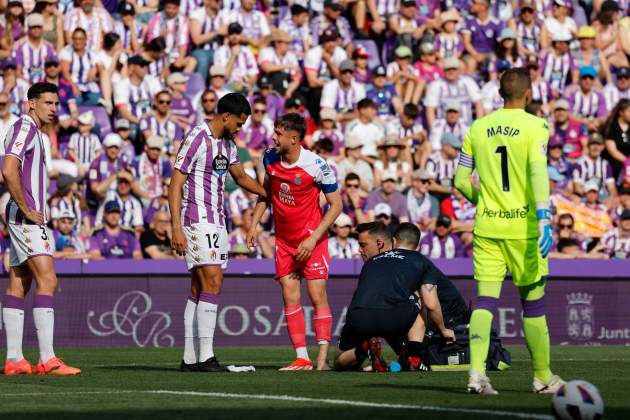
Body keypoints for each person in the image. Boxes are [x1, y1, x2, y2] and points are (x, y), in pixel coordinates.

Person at [454, 68, 564, 394]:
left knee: (485, 302)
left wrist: (485, 200)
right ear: (528, 94)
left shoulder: (478, 126)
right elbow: (536, 171)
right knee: (533, 305)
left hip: (488, 227)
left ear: (500, 94)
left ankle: (476, 375)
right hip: (525, 230)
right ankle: (543, 378)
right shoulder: (536, 126)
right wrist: (544, 218)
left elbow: (460, 181)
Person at [169, 92, 266, 372]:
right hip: (196, 219)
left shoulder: (229, 143)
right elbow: (175, 184)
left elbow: (241, 177)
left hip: (217, 221)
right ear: (225, 116)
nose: (240, 128)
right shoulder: (198, 137)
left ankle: (190, 359)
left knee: (199, 288)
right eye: (239, 122)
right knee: (213, 280)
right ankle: (207, 356)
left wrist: (269, 195)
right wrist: (176, 227)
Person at [248, 113, 342, 371]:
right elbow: (265, 194)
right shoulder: (269, 158)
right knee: (290, 297)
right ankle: (302, 358)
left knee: (316, 296)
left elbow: (337, 205)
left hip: (312, 241)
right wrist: (254, 225)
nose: (273, 137)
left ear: (293, 138)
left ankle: (322, 359)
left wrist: (313, 239)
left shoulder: (317, 165)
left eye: (278, 134)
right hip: (285, 242)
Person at [1, 82, 80, 375]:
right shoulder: (24, 128)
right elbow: (8, 169)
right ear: (31, 103)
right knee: (48, 280)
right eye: (48, 103)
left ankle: (14, 360)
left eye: (56, 104)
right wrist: (25, 208)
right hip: (26, 218)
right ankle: (47, 359)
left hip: (22, 216)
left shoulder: (34, 132)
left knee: (19, 283)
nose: (54, 109)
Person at [333, 222, 456, 372]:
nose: (360, 250)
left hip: (360, 315)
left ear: (394, 242)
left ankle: (364, 349)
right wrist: (443, 330)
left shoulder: (370, 262)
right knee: (420, 297)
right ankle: (414, 356)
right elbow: (431, 304)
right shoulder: (420, 260)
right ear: (418, 247)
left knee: (339, 361)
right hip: (394, 317)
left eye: (363, 245)